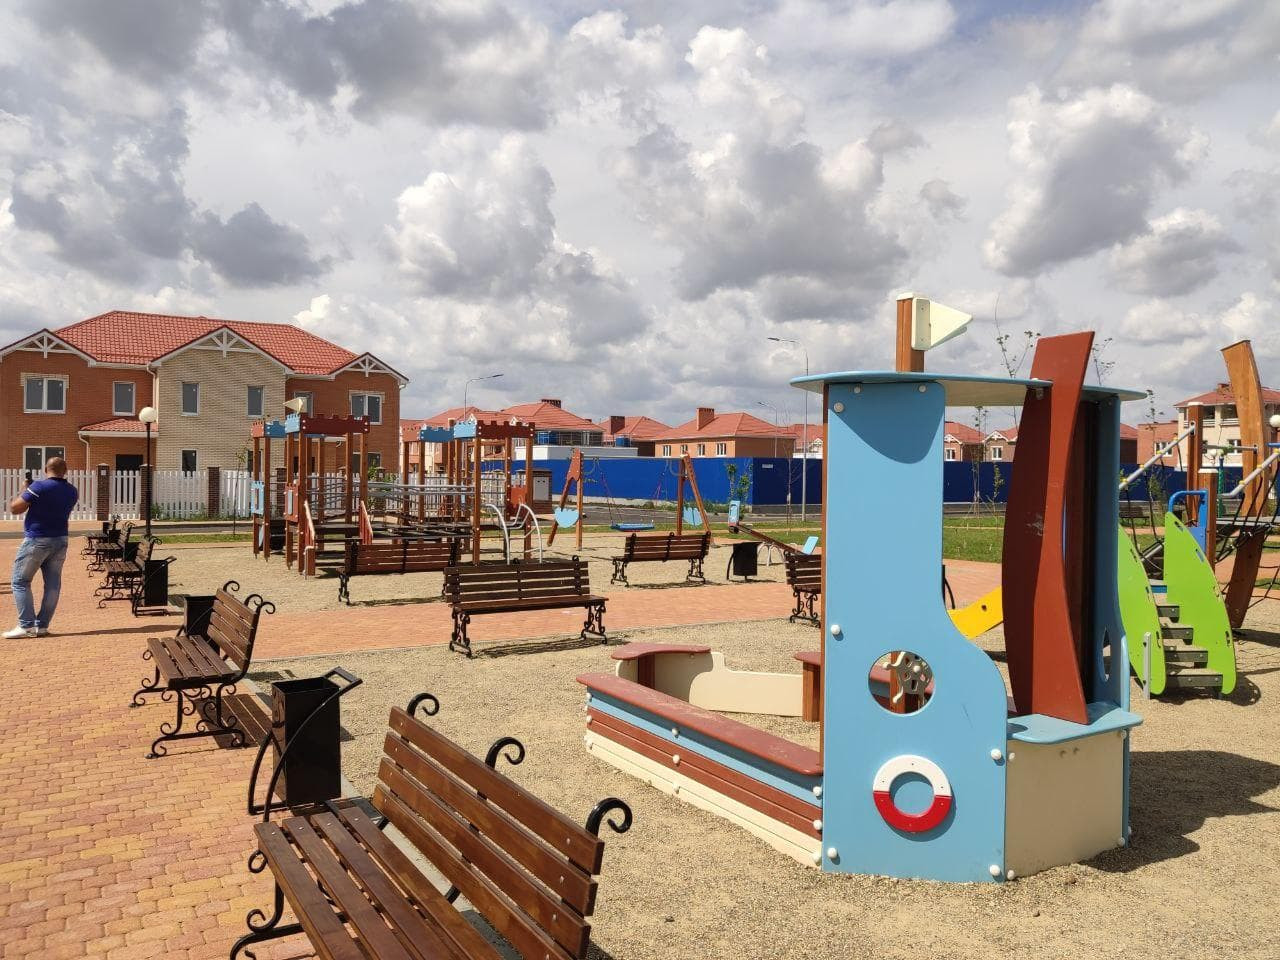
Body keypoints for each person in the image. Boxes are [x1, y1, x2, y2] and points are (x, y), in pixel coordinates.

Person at [6, 457, 78, 639]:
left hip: (37, 539)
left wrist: (25, 490)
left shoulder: (38, 487)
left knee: (20, 581)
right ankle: (42, 626)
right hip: (60, 539)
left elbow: (15, 508)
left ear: (46, 469)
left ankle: (26, 626)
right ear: (65, 471)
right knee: (53, 584)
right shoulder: (72, 491)